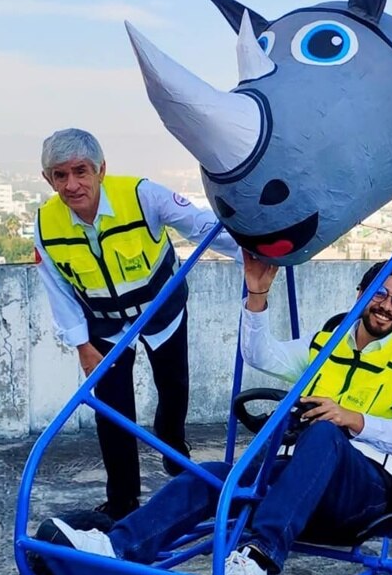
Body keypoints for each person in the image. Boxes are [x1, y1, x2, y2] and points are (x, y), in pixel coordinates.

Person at [39, 255, 392, 575]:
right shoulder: (324, 343)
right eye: (379, 293)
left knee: (323, 433)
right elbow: (260, 354)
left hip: (364, 490)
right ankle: (115, 547)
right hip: (301, 477)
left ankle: (255, 562)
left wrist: (349, 417)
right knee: (215, 474)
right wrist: (257, 295)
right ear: (360, 294)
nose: (386, 306)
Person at [35, 128, 241, 522]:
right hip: (106, 327)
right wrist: (82, 345)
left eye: (81, 171)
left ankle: (173, 447)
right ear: (49, 180)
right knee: (112, 412)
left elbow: (199, 225)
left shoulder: (141, 195)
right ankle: (122, 500)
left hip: (161, 312)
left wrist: (251, 254)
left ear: (101, 170)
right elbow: (58, 290)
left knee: (174, 388)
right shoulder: (46, 225)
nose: (73, 184)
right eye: (60, 176)